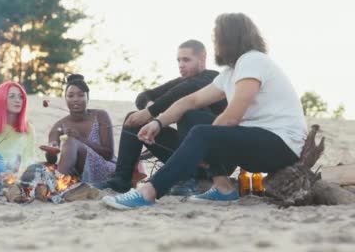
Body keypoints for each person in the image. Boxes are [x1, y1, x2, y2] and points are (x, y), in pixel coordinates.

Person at [103, 13, 307, 209]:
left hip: (281, 144)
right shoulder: (230, 73)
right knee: (194, 117)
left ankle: (148, 192)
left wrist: (205, 147)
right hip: (259, 142)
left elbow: (231, 117)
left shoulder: (253, 61)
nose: (214, 42)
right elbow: (191, 100)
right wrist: (158, 123)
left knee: (203, 132)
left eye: (216, 37)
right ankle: (223, 188)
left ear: (228, 38)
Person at [98, 40, 227, 194]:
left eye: (186, 60)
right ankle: (121, 179)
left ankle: (190, 179)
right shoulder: (180, 82)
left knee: (188, 113)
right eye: (178, 60)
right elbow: (145, 95)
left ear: (202, 59)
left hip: (213, 160)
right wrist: (147, 111)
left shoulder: (212, 78)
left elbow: (185, 91)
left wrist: (151, 111)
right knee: (133, 119)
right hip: (182, 155)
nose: (181, 64)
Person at [46, 74, 115, 183]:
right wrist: (51, 152)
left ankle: (56, 183)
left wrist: (80, 139)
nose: (76, 99)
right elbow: (51, 160)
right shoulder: (59, 125)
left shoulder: (100, 116)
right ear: (65, 98)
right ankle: (58, 182)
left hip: (103, 169)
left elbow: (108, 154)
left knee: (71, 141)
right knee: (38, 168)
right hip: (77, 173)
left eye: (81, 95)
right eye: (71, 95)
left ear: (88, 97)